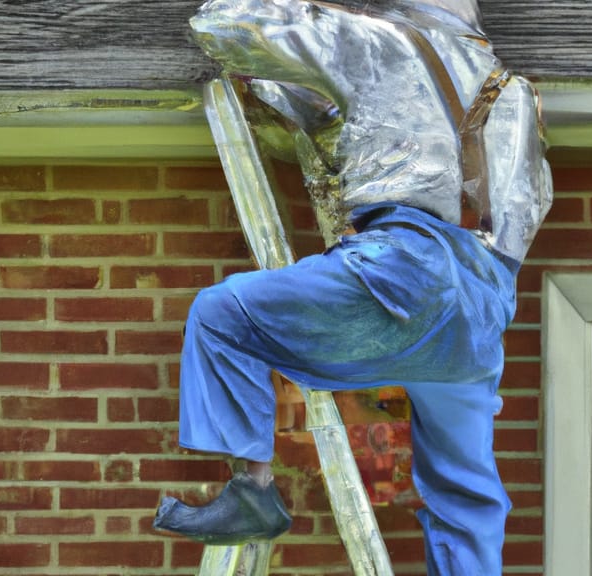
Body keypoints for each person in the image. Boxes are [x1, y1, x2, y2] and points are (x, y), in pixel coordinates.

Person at [153, 0, 552, 573]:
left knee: (222, 314)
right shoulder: (515, 93)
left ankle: (253, 492)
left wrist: (326, 13)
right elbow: (532, 203)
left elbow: (227, 24)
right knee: (465, 493)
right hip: (485, 307)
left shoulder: (378, 40)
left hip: (408, 266)